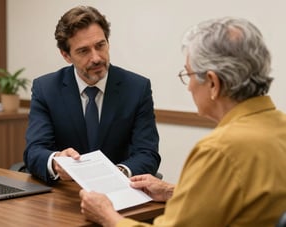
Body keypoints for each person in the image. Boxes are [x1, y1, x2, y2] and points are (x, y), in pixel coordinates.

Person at [79, 17, 286, 227]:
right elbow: (245, 197)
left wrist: (107, 216)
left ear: (213, 83)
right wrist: (172, 191)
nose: (189, 87)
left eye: (189, 74)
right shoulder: (279, 128)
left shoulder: (219, 150)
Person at [23, 6, 161, 185]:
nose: (96, 58)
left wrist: (117, 173)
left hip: (118, 191)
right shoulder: (46, 88)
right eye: (83, 51)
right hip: (65, 195)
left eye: (100, 45)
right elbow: (34, 150)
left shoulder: (137, 88)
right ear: (66, 55)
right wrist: (56, 161)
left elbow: (147, 153)